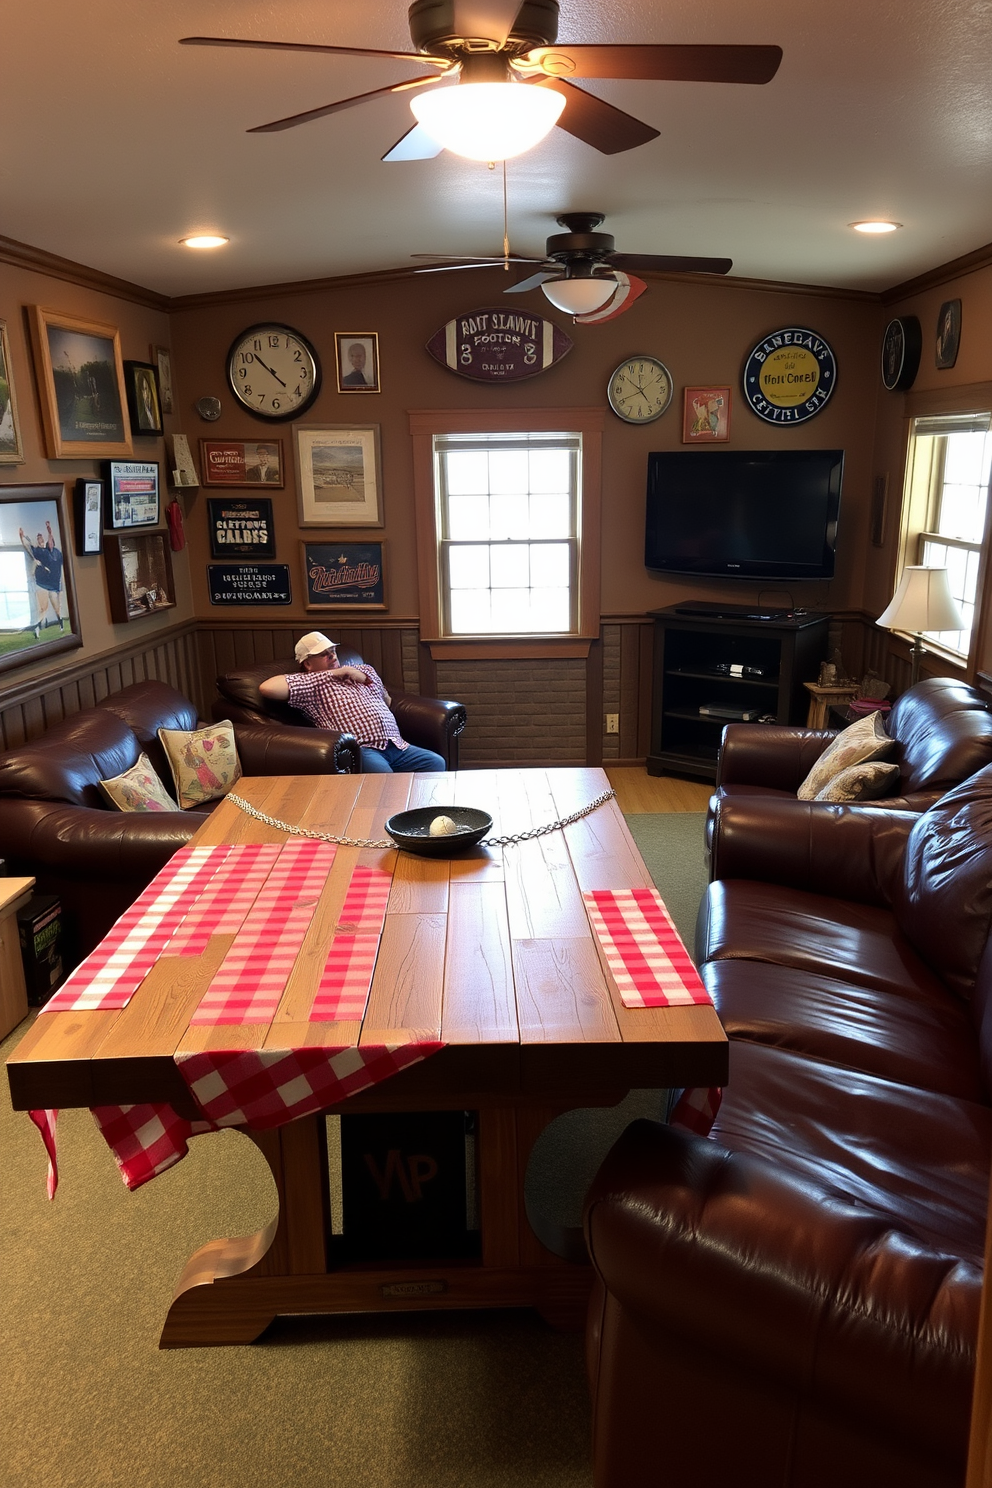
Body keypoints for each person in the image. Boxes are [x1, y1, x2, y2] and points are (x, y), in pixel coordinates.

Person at [260, 632, 445, 773]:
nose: (332, 656)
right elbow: (267, 688)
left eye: (332, 651)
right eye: (324, 654)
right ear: (308, 664)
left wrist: (359, 675)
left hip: (397, 745)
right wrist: (334, 673)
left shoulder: (362, 669)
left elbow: (386, 700)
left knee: (436, 763)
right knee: (387, 780)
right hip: (362, 749)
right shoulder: (310, 685)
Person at [19, 520, 64, 639]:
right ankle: (37, 628)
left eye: (41, 536)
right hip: (42, 584)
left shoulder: (56, 553)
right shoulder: (37, 551)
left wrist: (49, 530)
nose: (40, 538)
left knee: (57, 607)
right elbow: (26, 545)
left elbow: (50, 540)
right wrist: (21, 536)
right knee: (43, 608)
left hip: (54, 585)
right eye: (38, 537)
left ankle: (61, 625)